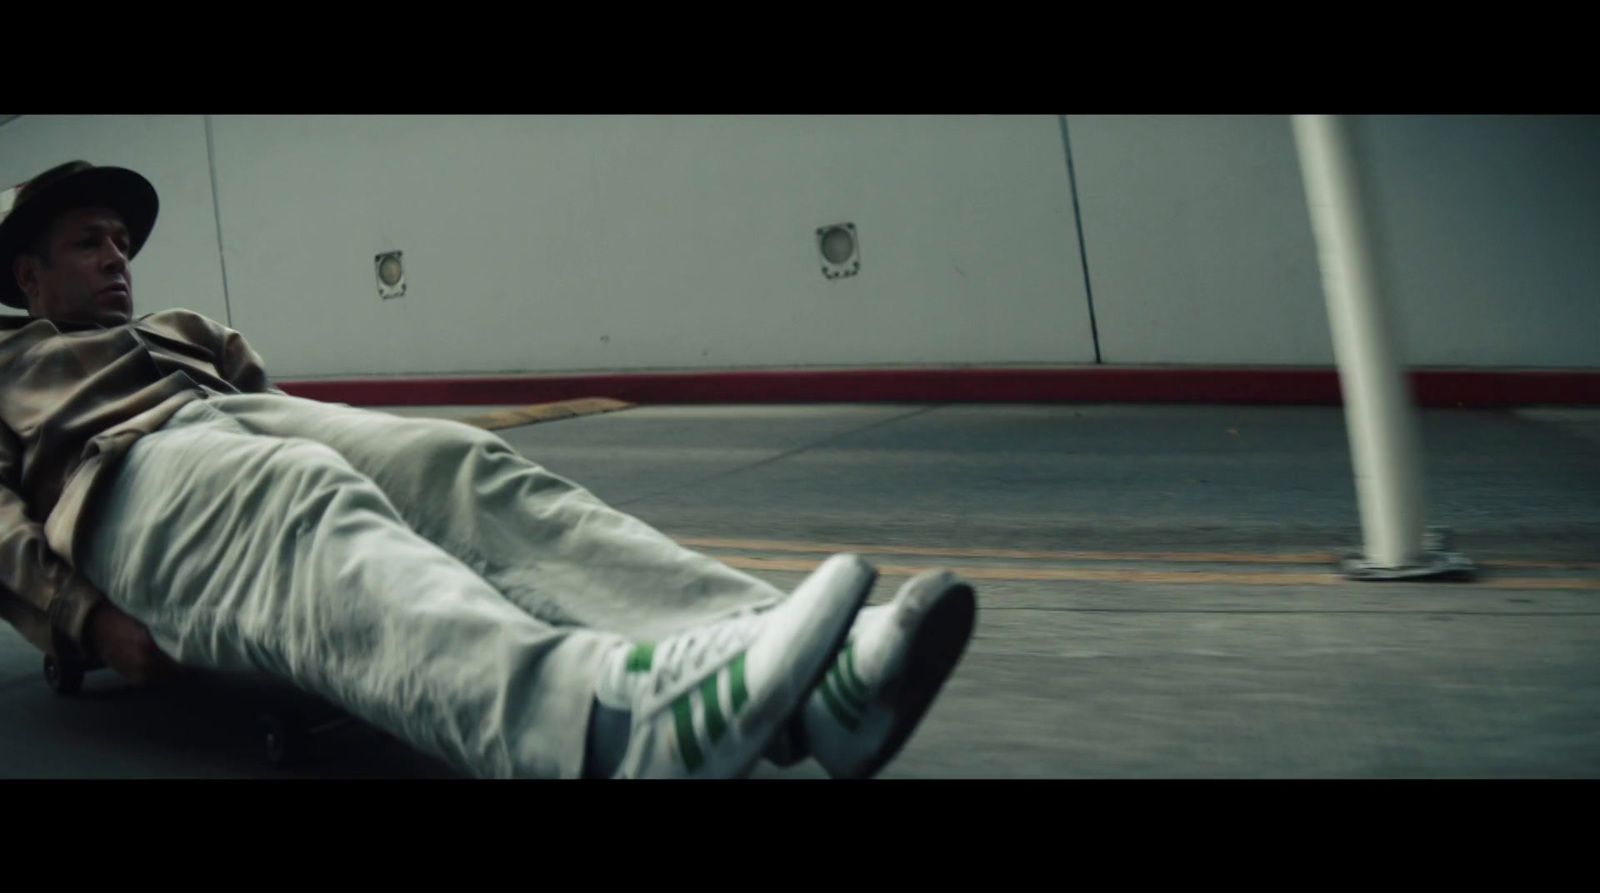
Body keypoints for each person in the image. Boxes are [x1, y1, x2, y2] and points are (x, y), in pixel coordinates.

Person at [0, 160, 977, 778]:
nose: (118, 259)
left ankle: (805, 681)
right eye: (89, 244)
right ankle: (588, 724)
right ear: (28, 278)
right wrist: (82, 616)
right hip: (121, 475)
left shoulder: (184, 331)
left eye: (123, 242)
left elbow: (276, 407)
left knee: (452, 459)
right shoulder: (11, 363)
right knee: (294, 497)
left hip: (238, 416)